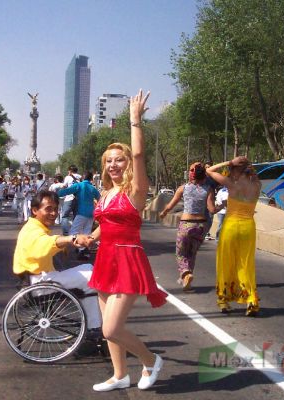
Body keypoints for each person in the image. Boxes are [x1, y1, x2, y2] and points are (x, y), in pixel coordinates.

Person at [85, 90, 167, 392]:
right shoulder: (105, 193)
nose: (114, 165)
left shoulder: (135, 189)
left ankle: (150, 359)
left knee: (111, 327)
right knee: (109, 331)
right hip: (105, 259)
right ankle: (120, 375)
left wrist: (135, 121)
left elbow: (138, 154)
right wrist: (88, 237)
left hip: (128, 261)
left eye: (119, 160)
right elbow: (105, 225)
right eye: (109, 161)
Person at [13, 190, 101, 336]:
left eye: (55, 209)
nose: (53, 213)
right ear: (35, 210)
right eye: (48, 209)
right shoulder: (32, 230)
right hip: (41, 282)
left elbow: (45, 244)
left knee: (88, 268)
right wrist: (70, 239)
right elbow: (43, 243)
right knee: (91, 276)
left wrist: (63, 245)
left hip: (40, 278)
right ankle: (94, 326)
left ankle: (94, 323)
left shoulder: (34, 227)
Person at [206, 156, 261, 316]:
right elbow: (254, 175)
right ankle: (251, 299)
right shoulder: (257, 185)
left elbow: (209, 170)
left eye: (232, 170)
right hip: (248, 227)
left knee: (225, 261)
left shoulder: (232, 184)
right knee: (246, 263)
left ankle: (223, 300)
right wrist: (246, 165)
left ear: (235, 170)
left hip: (231, 225)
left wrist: (229, 162)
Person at [159, 162, 216, 290]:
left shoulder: (183, 188)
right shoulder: (209, 189)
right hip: (200, 226)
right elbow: (212, 210)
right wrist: (222, 206)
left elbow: (170, 205)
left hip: (186, 225)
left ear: (192, 174)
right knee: (192, 253)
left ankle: (185, 272)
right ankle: (186, 281)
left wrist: (163, 213)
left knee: (180, 253)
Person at [57, 171, 100, 260]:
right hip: (91, 213)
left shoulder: (79, 185)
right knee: (87, 232)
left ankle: (80, 248)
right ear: (91, 179)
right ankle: (83, 250)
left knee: (73, 232)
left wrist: (55, 193)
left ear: (82, 178)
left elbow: (66, 191)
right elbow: (100, 198)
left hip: (81, 213)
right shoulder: (93, 188)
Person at [60, 165, 81, 235]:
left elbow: (63, 186)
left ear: (70, 171)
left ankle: (66, 232)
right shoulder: (80, 177)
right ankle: (76, 232)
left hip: (69, 198)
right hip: (78, 199)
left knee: (65, 216)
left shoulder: (68, 177)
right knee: (76, 215)